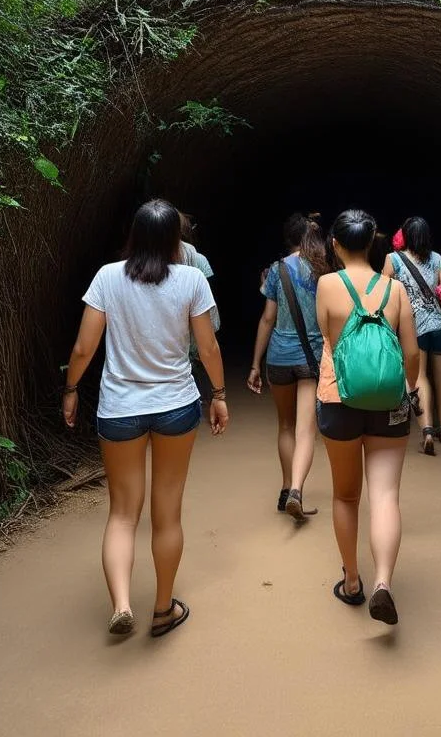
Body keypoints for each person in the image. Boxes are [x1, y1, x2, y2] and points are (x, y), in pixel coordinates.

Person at [62, 198, 229, 638]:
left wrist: (71, 389)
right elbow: (207, 349)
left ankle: (120, 604)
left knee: (121, 513)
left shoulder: (107, 277)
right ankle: (161, 608)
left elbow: (83, 348)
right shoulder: (192, 279)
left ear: (133, 235)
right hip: (176, 405)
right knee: (167, 513)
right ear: (176, 238)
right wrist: (219, 393)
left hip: (119, 410)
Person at [315, 210, 420, 625]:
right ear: (374, 244)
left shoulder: (326, 285)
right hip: (389, 402)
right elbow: (411, 353)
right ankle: (383, 584)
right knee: (385, 497)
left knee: (345, 495)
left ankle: (353, 582)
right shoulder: (394, 290)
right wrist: (408, 388)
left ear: (336, 245)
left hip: (338, 397)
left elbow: (324, 335)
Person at [248, 213, 330, 520]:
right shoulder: (325, 269)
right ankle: (297, 489)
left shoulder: (276, 270)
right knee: (306, 429)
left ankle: (285, 489)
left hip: (279, 356)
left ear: (289, 239)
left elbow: (267, 318)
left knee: (285, 426)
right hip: (310, 359)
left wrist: (255, 364)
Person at [383, 216, 441, 453]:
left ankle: (426, 430)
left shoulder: (393, 259)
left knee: (419, 378)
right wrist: (439, 294)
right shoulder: (438, 260)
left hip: (412, 329)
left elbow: (383, 294)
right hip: (438, 326)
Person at [179, 212, 220, 399]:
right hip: (194, 337)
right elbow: (207, 301)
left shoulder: (138, 264)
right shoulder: (199, 259)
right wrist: (220, 394)